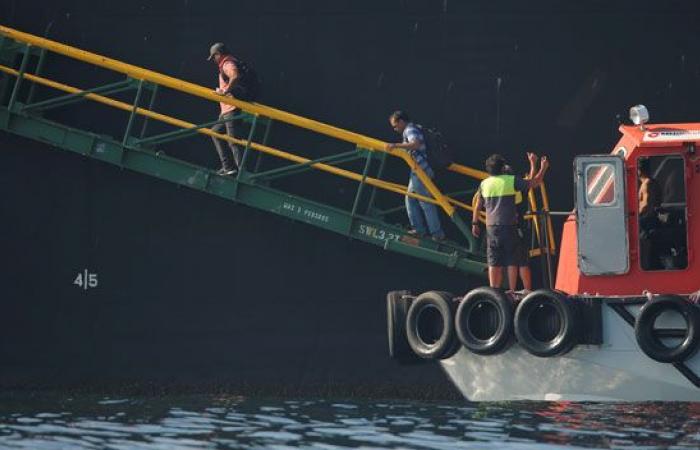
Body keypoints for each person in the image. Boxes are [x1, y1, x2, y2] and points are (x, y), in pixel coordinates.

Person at [472, 153, 548, 290]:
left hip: (491, 228)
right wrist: (543, 168)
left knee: (494, 262)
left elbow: (477, 206)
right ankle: (512, 291)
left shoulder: (484, 184)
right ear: (502, 168)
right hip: (509, 226)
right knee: (512, 260)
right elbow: (533, 183)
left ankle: (493, 291)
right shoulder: (510, 181)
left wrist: (475, 223)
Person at [386, 111, 445, 241]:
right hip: (420, 170)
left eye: (395, 126)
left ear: (401, 122)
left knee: (424, 202)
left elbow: (415, 144)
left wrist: (395, 145)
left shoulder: (410, 129)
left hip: (420, 170)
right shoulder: (415, 127)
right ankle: (420, 229)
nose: (395, 129)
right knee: (411, 198)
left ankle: (436, 233)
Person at [208, 42, 245, 176]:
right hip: (226, 110)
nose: (213, 60)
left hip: (231, 108)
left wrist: (226, 91)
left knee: (233, 141)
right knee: (215, 133)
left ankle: (242, 172)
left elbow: (234, 75)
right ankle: (228, 167)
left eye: (214, 57)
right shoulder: (228, 62)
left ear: (219, 54)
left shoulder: (227, 64)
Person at [504, 162, 534, 292]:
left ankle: (518, 289)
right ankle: (521, 289)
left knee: (516, 261)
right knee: (518, 261)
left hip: (513, 229)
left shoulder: (507, 191)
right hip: (515, 229)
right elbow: (530, 182)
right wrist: (533, 165)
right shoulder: (518, 189)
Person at [638, 159, 662, 269]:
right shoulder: (653, 183)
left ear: (639, 170)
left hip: (648, 220)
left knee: (646, 245)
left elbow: (647, 204)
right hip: (650, 219)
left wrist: (637, 216)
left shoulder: (647, 184)